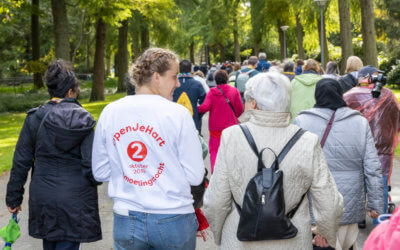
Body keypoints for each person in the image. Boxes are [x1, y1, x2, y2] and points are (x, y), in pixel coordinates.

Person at [203, 72, 343, 249]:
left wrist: (219, 235)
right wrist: (326, 234)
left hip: (240, 239)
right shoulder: (307, 141)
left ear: (253, 103)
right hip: (293, 240)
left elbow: (216, 201)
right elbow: (329, 202)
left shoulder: (231, 137)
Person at [92, 48, 205, 250]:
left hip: (127, 218)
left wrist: (130, 171)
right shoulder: (178, 114)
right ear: (156, 77)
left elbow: (100, 171)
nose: (178, 84)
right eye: (174, 77)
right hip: (173, 216)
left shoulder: (111, 112)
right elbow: (195, 176)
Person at [6, 60, 101, 250]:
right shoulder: (83, 120)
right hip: (76, 198)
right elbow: (91, 164)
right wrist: (95, 181)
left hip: (44, 197)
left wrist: (13, 198)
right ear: (69, 92)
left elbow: (21, 162)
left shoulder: (34, 118)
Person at [293, 78, 384, 250]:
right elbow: (373, 167)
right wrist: (375, 204)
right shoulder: (359, 122)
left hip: (316, 206)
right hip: (350, 205)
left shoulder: (302, 122)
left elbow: (293, 168)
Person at [344, 65, 400, 227]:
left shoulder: (351, 96)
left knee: (358, 184)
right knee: (380, 186)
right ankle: (379, 227)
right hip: (383, 150)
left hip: (358, 148)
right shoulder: (389, 95)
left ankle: (359, 219)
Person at [198, 70, 243, 173]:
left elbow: (205, 107)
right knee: (231, 150)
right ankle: (232, 172)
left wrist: (194, 109)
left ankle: (216, 173)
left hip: (216, 128)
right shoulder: (234, 91)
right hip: (231, 127)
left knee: (215, 151)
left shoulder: (212, 92)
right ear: (226, 78)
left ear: (215, 80)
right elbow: (239, 109)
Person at [173, 59, 206, 132]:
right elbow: (204, 103)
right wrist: (198, 114)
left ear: (178, 69)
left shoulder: (172, 84)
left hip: (175, 121)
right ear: (191, 69)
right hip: (193, 120)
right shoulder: (197, 84)